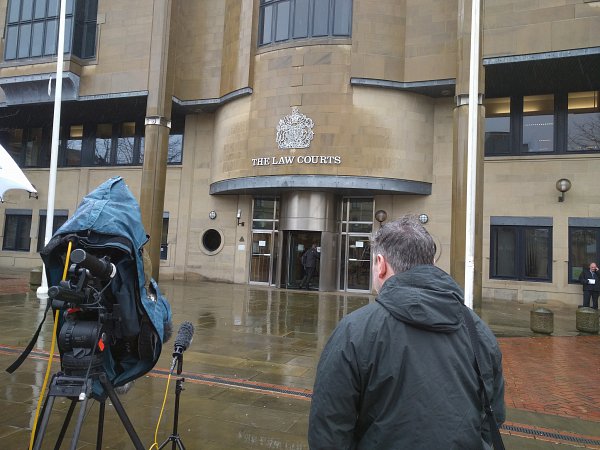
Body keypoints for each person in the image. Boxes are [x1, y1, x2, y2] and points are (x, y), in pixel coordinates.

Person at [308, 215, 505, 449]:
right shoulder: (477, 329)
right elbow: (492, 415)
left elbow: (329, 429)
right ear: (431, 262)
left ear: (380, 264)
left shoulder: (355, 330)